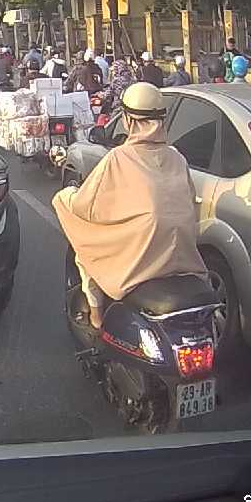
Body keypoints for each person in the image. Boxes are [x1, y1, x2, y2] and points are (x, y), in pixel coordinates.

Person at [52, 83, 209, 329]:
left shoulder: (118, 158)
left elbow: (86, 206)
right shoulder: (177, 157)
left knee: (87, 252)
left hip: (141, 250)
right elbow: (189, 198)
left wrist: (66, 196)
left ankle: (96, 318)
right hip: (183, 252)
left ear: (128, 120)